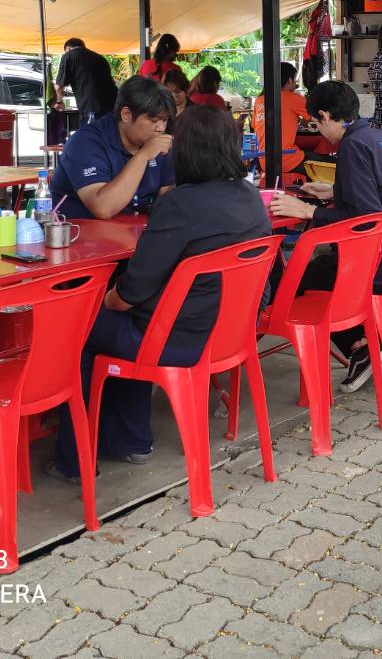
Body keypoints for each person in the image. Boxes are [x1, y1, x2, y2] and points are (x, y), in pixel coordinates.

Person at [49, 106, 271, 479]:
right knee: (125, 321)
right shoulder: (250, 196)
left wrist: (104, 302)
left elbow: (132, 291)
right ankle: (130, 441)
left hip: (178, 340)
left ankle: (75, 462)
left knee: (81, 328)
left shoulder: (179, 204)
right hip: (228, 334)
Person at [269, 81, 382, 393]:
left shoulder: (352, 145)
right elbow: (381, 192)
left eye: (315, 123)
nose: (318, 130)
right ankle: (367, 344)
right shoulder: (379, 137)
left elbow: (365, 220)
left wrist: (308, 212)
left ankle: (360, 346)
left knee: (297, 279)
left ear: (324, 115)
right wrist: (336, 190)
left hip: (379, 261)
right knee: (323, 263)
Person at [50, 76, 175, 219]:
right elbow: (103, 208)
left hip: (138, 235)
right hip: (80, 236)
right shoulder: (86, 143)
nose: (161, 128)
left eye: (164, 120)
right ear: (126, 115)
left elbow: (167, 200)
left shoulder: (159, 145)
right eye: (153, 120)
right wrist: (143, 156)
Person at [253, 62, 312, 175]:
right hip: (286, 160)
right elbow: (316, 116)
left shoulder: (259, 100)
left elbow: (254, 126)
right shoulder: (293, 98)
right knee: (331, 163)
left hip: (263, 161)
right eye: (294, 80)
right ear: (289, 80)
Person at [53, 37, 118, 123]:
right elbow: (112, 82)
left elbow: (58, 87)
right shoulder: (100, 58)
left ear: (68, 49)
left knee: (89, 135)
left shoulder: (68, 56)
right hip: (112, 106)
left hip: (91, 109)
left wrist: (59, 102)